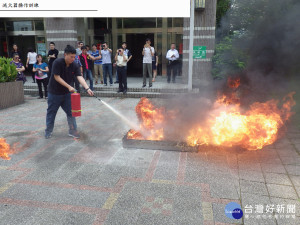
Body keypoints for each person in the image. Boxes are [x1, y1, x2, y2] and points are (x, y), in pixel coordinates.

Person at [45, 45, 94, 139]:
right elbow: (57, 77)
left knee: (71, 112)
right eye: (71, 57)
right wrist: (69, 87)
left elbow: (79, 76)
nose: (73, 59)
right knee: (51, 113)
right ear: (65, 55)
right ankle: (48, 131)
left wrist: (87, 88)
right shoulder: (57, 62)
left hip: (67, 94)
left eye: (74, 57)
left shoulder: (74, 65)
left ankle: (73, 131)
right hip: (54, 93)